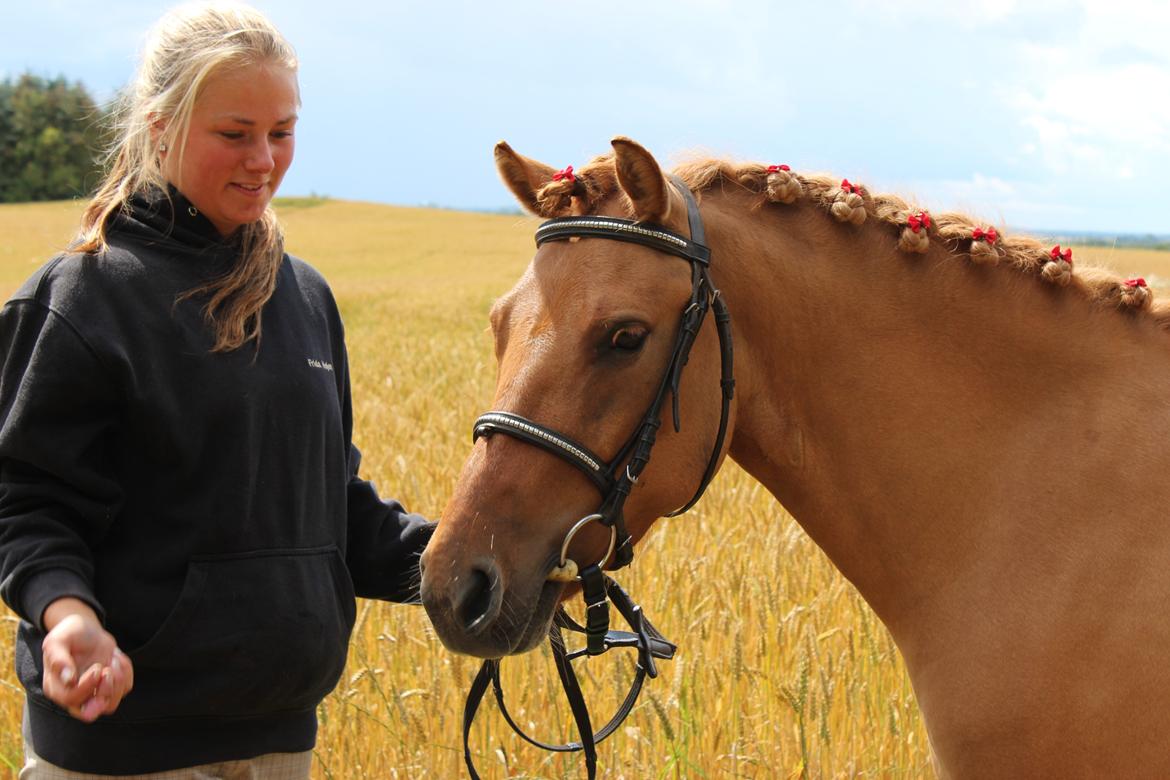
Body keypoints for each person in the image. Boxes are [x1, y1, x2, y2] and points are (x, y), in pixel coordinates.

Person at [0, 3, 434, 776]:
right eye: (234, 134)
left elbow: (330, 509)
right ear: (160, 127)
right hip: (121, 747)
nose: (263, 158)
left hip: (277, 740)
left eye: (283, 132)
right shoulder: (81, 298)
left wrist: (484, 559)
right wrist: (66, 615)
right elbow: (25, 503)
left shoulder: (304, 298)